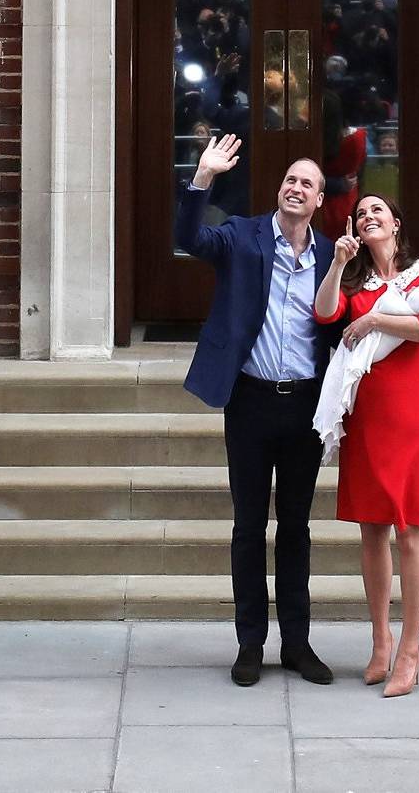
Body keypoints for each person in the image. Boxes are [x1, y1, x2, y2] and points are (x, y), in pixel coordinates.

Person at [176, 130, 337, 688]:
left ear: (320, 201)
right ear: (279, 190)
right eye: (290, 180)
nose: (296, 188)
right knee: (249, 527)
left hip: (305, 409)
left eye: (307, 184)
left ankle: (296, 644)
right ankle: (250, 643)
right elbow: (190, 238)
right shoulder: (243, 237)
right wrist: (203, 178)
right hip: (250, 402)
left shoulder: (331, 258)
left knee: (295, 528)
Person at [313, 193, 419, 699]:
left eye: (378, 211)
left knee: (411, 531)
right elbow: (326, 315)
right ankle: (379, 642)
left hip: (409, 421)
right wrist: (338, 263)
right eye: (362, 212)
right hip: (366, 421)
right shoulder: (354, 281)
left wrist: (372, 321)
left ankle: (411, 649)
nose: (369, 217)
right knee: (371, 533)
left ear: (396, 221)